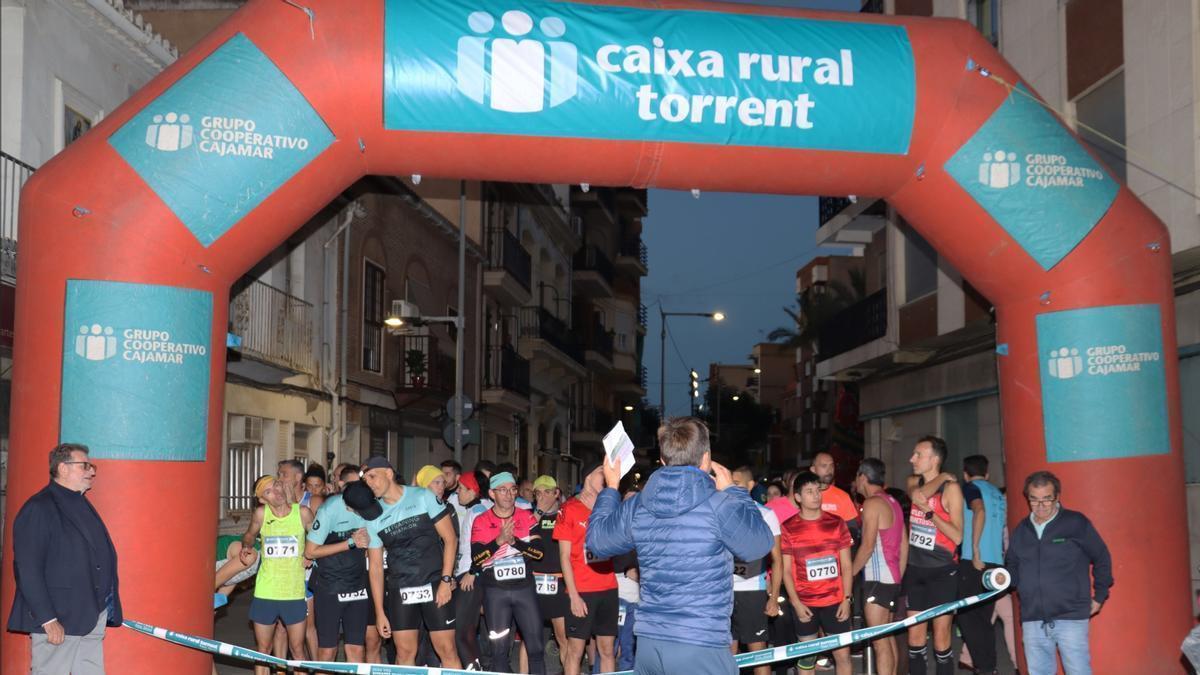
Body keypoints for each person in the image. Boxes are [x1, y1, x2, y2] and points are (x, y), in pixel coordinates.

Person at [586, 417, 774, 675]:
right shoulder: (720, 504)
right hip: (701, 642)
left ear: (662, 460)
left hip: (651, 645)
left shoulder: (638, 505)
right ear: (706, 459)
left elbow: (597, 540)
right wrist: (735, 491)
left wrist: (611, 487)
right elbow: (759, 545)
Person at [8, 443, 121, 675]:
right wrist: (48, 619)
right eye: (85, 466)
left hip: (91, 615)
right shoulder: (39, 508)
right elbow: (28, 568)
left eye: (91, 466)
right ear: (63, 468)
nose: (92, 471)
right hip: (59, 618)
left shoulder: (81, 502)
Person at [1006, 471, 1111, 675]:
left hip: (1070, 615)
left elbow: (1102, 557)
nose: (1040, 506)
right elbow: (1012, 565)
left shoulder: (1075, 523)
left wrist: (1099, 596)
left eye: (1047, 499)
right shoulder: (1021, 530)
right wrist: (1003, 579)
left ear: (1057, 497)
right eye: (1034, 500)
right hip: (1032, 617)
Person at [362, 456, 462, 668]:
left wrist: (446, 580)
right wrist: (380, 612)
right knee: (405, 653)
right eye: (366, 479)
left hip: (434, 583)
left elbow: (450, 539)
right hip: (401, 588)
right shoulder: (373, 516)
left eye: (372, 476)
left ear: (388, 473)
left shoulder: (422, 496)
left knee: (447, 650)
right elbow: (376, 568)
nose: (369, 483)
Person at [470, 472, 547, 674]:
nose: (509, 495)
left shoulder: (526, 516)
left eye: (512, 489)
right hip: (495, 592)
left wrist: (515, 542)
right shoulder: (481, 520)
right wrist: (498, 541)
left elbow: (539, 553)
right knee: (499, 651)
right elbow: (476, 559)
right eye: (502, 490)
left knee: (536, 648)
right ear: (491, 493)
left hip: (524, 590)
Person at [239, 475, 315, 675]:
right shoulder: (261, 514)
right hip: (266, 591)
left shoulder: (303, 513)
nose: (276, 491)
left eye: (277, 485)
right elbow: (249, 534)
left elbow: (318, 537)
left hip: (293, 592)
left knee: (297, 650)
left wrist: (310, 553)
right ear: (263, 499)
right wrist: (247, 546)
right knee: (264, 651)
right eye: (268, 491)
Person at [780, 472, 853, 675]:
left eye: (817, 491)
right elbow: (785, 571)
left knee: (843, 656)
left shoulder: (837, 523)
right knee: (806, 659)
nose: (816, 496)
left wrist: (847, 599)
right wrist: (796, 603)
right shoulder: (788, 528)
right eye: (809, 492)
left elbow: (846, 566)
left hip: (835, 601)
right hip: (805, 604)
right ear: (798, 497)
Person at [904, 436, 964, 675]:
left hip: (942, 571)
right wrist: (941, 475)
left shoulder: (952, 489)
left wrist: (931, 516)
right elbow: (918, 497)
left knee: (941, 640)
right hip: (915, 569)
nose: (912, 459)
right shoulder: (913, 481)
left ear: (935, 459)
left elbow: (958, 536)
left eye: (918, 455)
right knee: (915, 639)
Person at [553, 462, 619, 675]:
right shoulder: (569, 508)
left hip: (608, 588)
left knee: (607, 650)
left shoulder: (608, 507)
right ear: (589, 477)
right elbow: (564, 556)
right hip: (581, 590)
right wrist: (573, 595)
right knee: (576, 651)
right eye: (603, 472)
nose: (607, 476)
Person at [304, 480, 378, 664]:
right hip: (330, 586)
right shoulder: (328, 510)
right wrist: (350, 543)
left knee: (356, 649)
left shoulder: (371, 505)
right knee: (328, 652)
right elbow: (310, 552)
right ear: (349, 508)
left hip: (357, 585)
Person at [850, 458, 907, 675]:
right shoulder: (892, 501)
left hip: (878, 579)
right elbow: (904, 543)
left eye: (857, 477)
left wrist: (849, 576)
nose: (856, 482)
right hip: (890, 578)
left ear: (863, 477)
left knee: (879, 640)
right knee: (886, 635)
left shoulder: (872, 504)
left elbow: (866, 547)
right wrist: (898, 577)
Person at [729, 466, 783, 675]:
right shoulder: (720, 513)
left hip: (753, 592)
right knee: (726, 659)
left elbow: (777, 560)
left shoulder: (765, 515)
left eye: (737, 484)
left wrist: (774, 597)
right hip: (723, 592)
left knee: (758, 658)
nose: (730, 488)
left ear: (750, 486)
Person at [954, 455, 1005, 675]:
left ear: (965, 474)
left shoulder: (970, 488)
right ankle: (988, 668)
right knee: (983, 620)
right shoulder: (997, 493)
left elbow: (979, 510)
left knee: (968, 619)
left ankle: (984, 668)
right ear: (987, 474)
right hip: (996, 564)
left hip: (974, 562)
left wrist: (975, 549)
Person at [528, 475, 570, 670]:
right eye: (538, 492)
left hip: (559, 583)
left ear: (556, 493)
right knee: (530, 640)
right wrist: (538, 512)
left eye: (547, 491)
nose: (543, 496)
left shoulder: (566, 514)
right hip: (534, 583)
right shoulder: (530, 515)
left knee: (563, 638)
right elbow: (522, 535)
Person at [454, 471, 492, 669]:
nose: (457, 492)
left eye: (461, 488)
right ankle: (478, 668)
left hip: (471, 576)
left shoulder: (477, 511)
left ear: (473, 491)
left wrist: (473, 572)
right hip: (468, 574)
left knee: (461, 632)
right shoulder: (475, 509)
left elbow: (486, 547)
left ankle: (474, 670)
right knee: (468, 631)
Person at [811, 451, 859, 527]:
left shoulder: (843, 497)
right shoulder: (803, 496)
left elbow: (852, 530)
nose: (829, 470)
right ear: (813, 469)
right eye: (824, 466)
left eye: (832, 465)